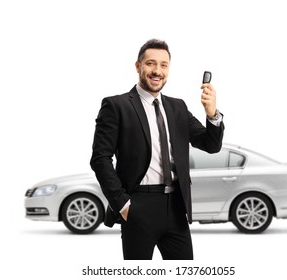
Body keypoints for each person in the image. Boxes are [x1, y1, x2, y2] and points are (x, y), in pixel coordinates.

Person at [90, 39, 224, 260]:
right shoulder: (116, 106)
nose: (157, 71)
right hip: (138, 205)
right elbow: (100, 159)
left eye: (163, 65)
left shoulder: (177, 107)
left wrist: (212, 114)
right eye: (151, 63)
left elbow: (210, 145)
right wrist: (122, 204)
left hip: (176, 207)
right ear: (138, 66)